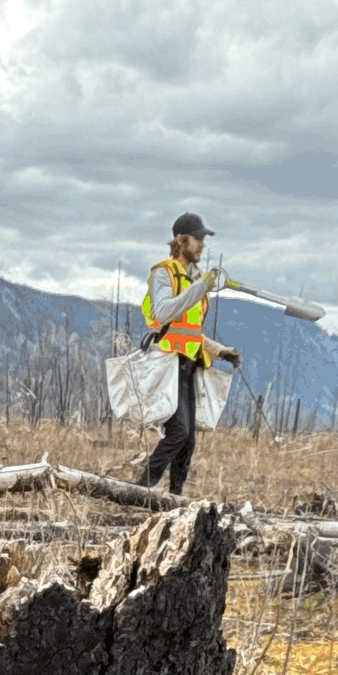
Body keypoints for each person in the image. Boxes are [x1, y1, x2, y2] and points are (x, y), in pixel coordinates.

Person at [139, 211, 239, 494]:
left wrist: (222, 352)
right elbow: (163, 312)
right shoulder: (164, 273)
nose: (202, 245)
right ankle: (141, 489)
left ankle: (176, 497)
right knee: (179, 432)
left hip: (189, 365)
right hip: (167, 362)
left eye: (204, 239)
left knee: (189, 438)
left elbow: (192, 331)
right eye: (198, 238)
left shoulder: (195, 278)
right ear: (181, 240)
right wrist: (199, 288)